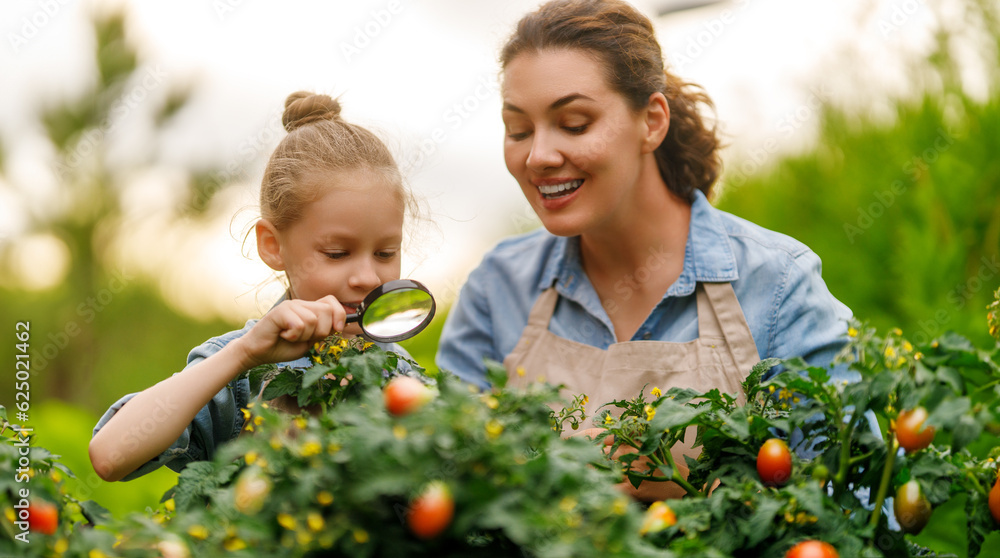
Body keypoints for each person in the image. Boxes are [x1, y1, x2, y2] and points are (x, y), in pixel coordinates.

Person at [435, 0, 854, 499]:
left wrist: (650, 474)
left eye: (574, 123)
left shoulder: (778, 284)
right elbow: (445, 490)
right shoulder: (497, 288)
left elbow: (851, 500)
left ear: (652, 121)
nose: (538, 156)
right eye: (518, 130)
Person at [90, 91, 415, 482]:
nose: (367, 277)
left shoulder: (404, 377)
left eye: (384, 254)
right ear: (272, 246)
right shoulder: (239, 371)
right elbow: (110, 455)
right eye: (336, 253)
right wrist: (244, 354)